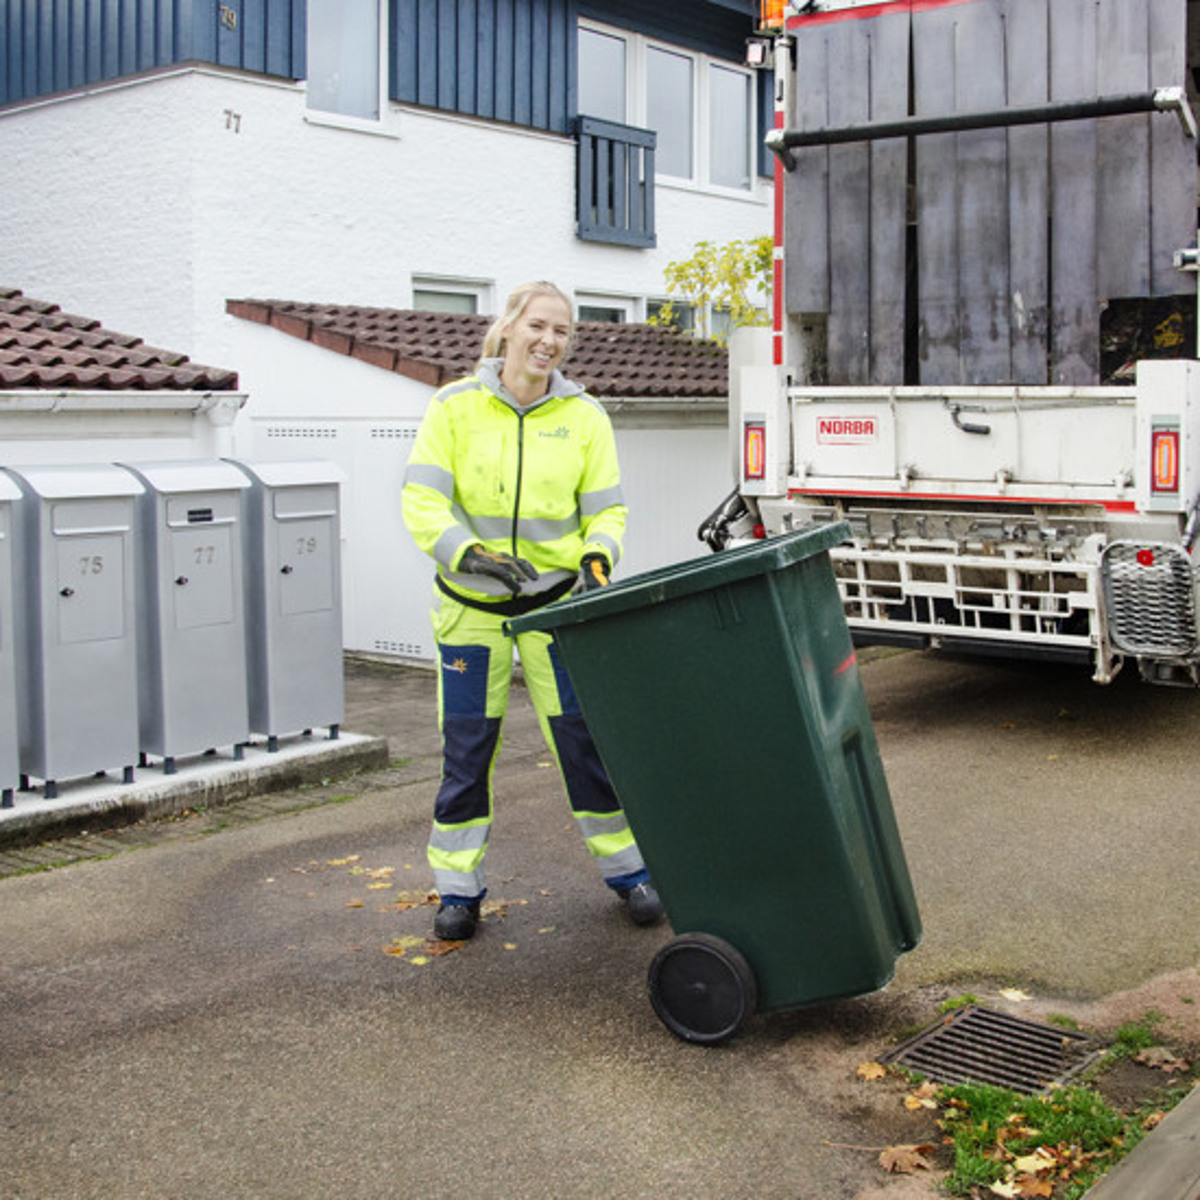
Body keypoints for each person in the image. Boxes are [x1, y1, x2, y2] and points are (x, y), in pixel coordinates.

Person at [401, 281, 664, 941]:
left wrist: (599, 556)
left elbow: (606, 509)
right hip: (470, 611)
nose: (549, 341)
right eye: (539, 326)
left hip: (556, 611)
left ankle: (630, 873)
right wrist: (468, 555)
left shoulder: (585, 417)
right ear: (510, 327)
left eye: (562, 332)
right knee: (467, 750)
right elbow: (422, 501)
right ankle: (458, 890)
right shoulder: (454, 408)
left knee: (583, 744)